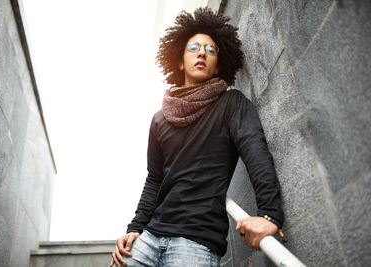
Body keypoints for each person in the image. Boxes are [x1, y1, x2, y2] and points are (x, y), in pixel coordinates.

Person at [110, 7, 284, 267]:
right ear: (180, 60)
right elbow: (154, 179)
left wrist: (269, 215)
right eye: (194, 47)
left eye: (211, 50)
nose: (202, 52)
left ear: (217, 68)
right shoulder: (159, 119)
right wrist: (135, 228)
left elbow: (256, 154)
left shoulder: (231, 104)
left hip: (196, 244)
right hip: (148, 240)